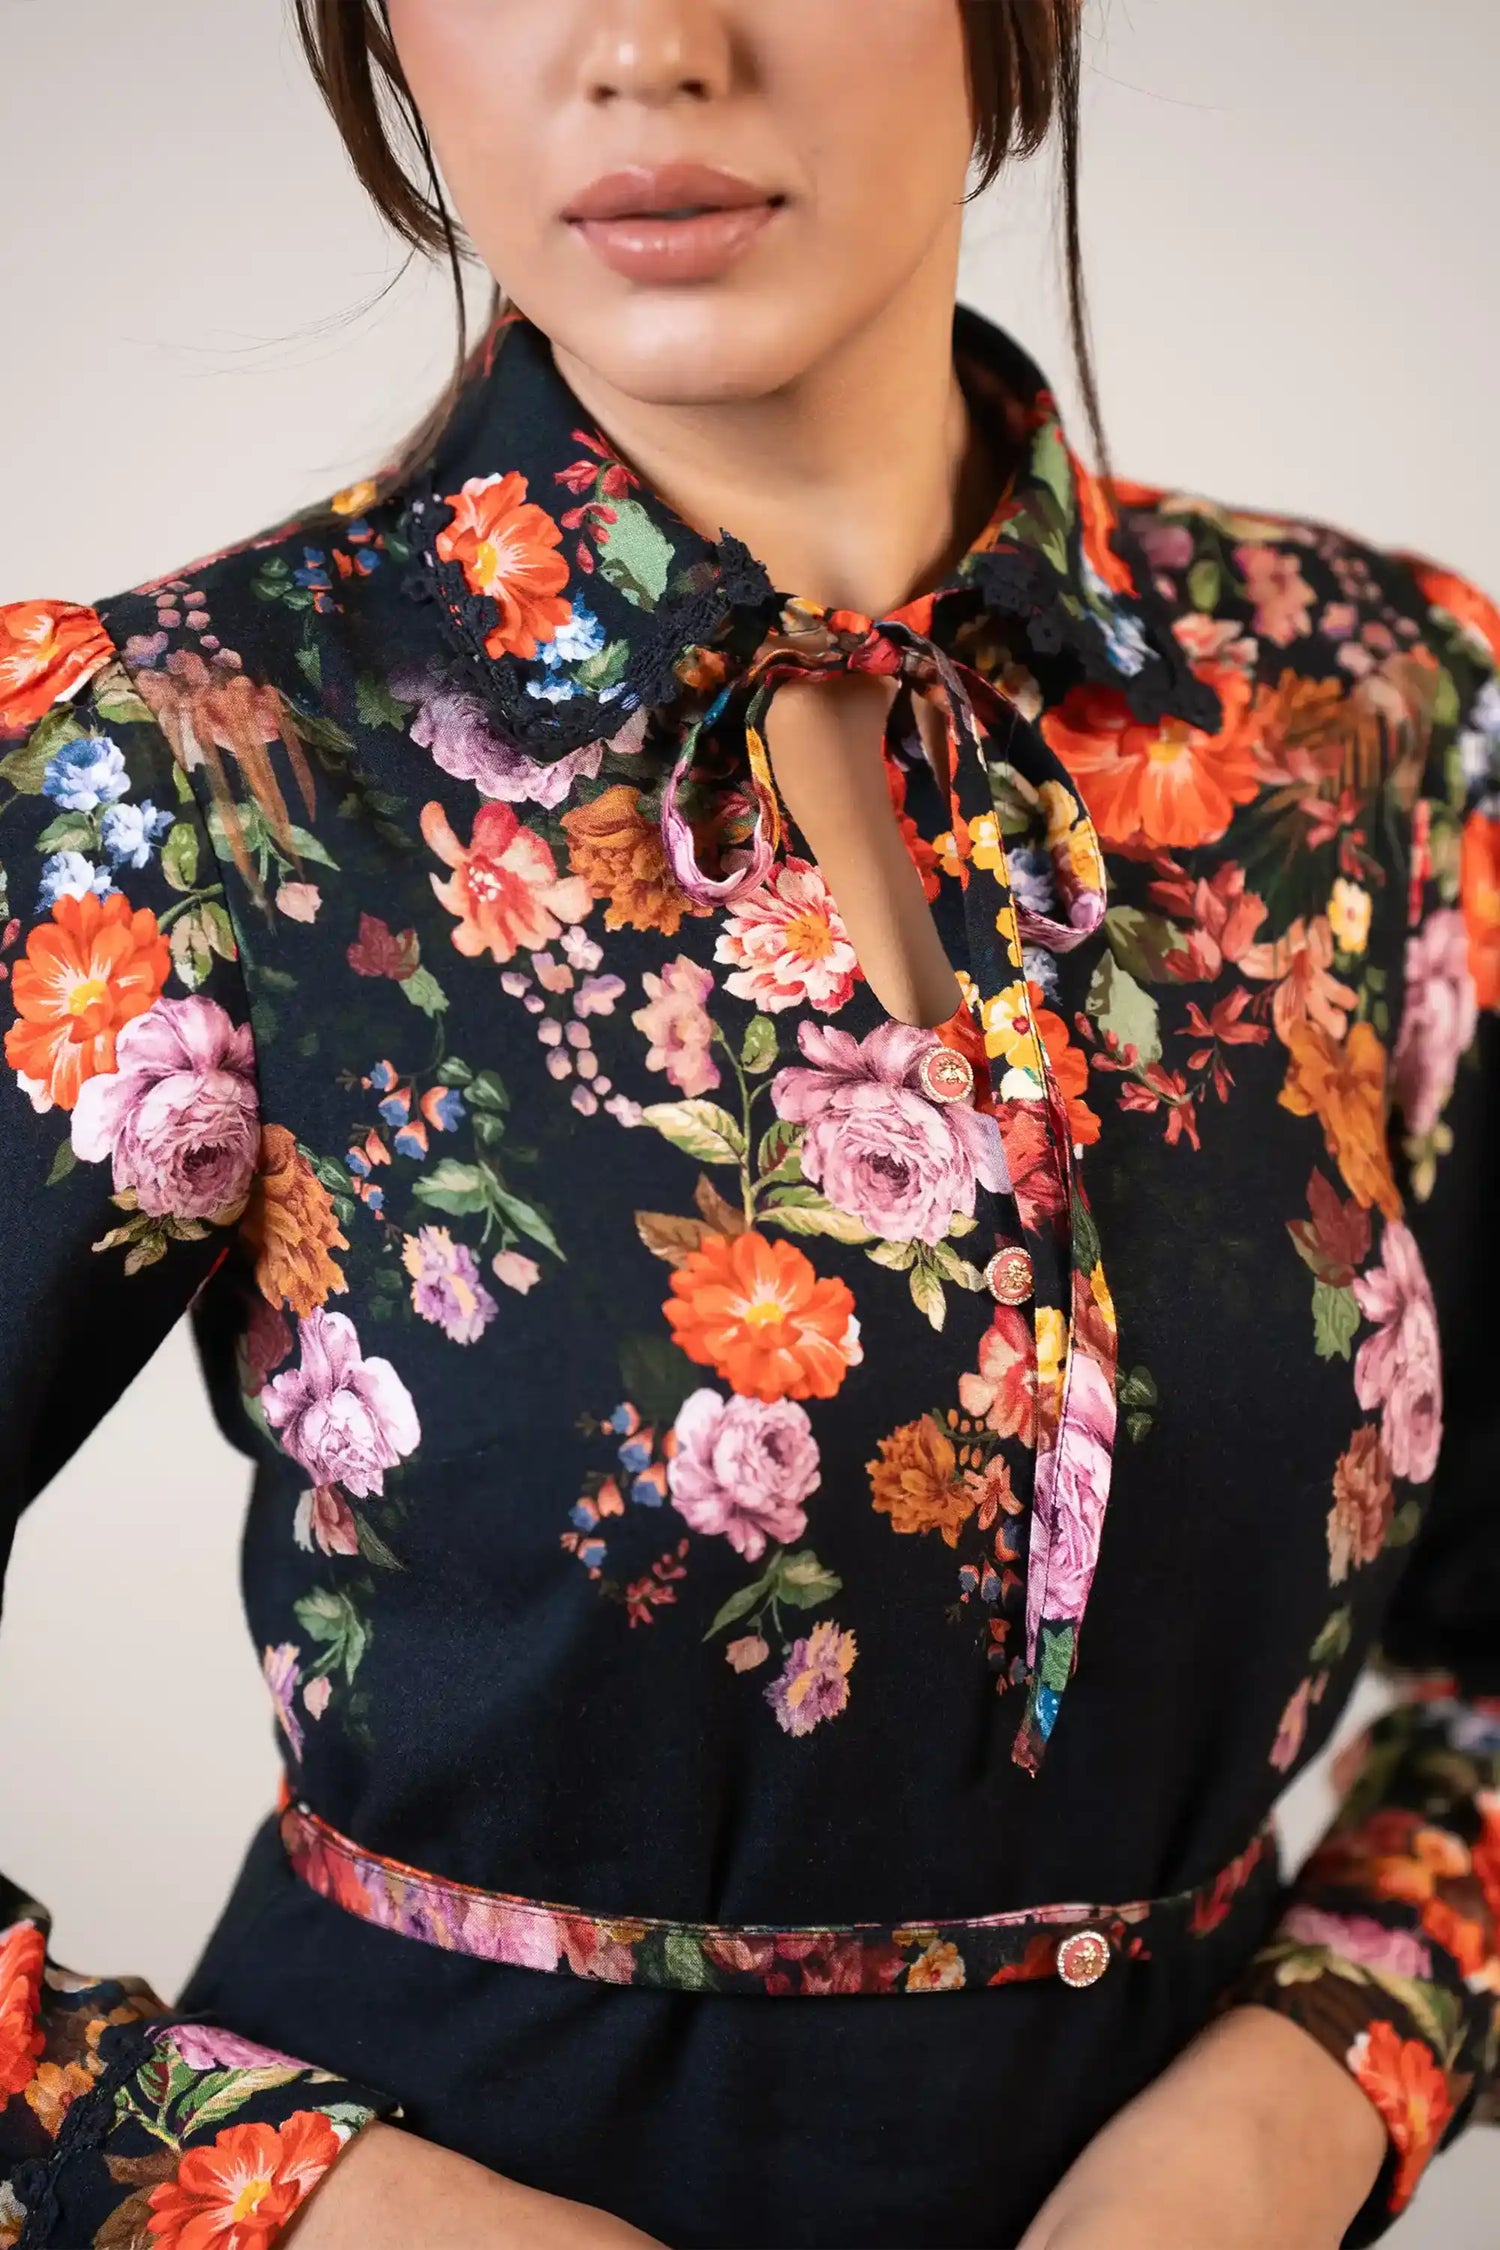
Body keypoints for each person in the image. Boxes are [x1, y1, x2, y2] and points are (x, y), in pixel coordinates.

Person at [0, 3, 1496, 2245]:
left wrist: (1283, 2118)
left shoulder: (1371, 710)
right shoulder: (183, 763)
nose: (646, 43)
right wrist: (320, 2211)